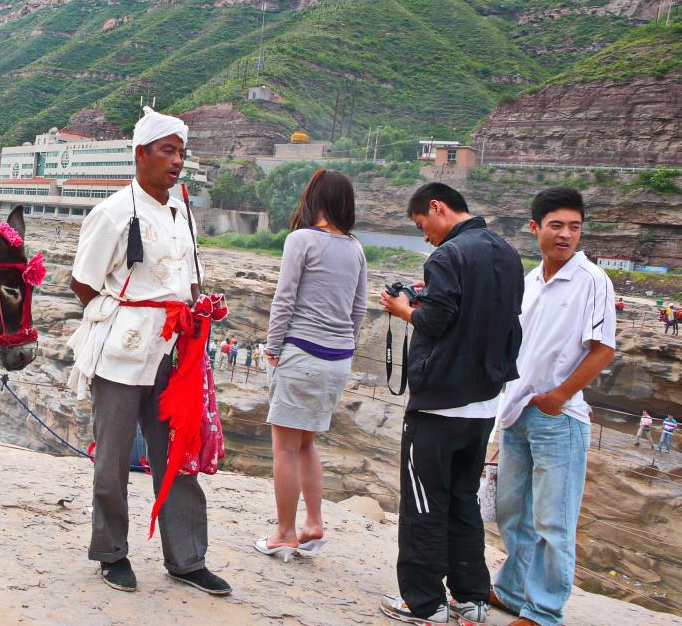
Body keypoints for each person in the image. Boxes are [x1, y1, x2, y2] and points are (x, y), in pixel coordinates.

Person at [67, 107, 230, 596]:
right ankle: (112, 553)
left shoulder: (182, 213)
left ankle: (187, 559)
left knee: (176, 454)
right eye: (167, 150)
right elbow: (83, 283)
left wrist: (194, 313)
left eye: (181, 152)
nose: (176, 161)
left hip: (173, 356)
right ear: (140, 154)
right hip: (121, 352)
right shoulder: (113, 212)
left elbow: (187, 279)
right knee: (113, 457)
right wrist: (128, 317)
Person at [378, 182, 524, 625]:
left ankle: (423, 602)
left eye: (423, 225)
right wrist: (428, 296)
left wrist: (404, 309)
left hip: (439, 405)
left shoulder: (447, 256)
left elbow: (436, 321)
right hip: (483, 404)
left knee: (424, 502)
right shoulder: (506, 252)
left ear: (438, 208)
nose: (425, 236)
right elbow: (476, 312)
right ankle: (471, 597)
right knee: (463, 498)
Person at [492, 187, 616, 626]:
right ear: (535, 228)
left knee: (553, 521)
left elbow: (603, 350)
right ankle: (509, 591)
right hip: (516, 414)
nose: (566, 235)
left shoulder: (592, 281)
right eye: (557, 225)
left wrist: (558, 397)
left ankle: (543, 611)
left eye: (575, 227)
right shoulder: (527, 284)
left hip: (558, 418)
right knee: (512, 512)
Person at [256, 169, 367, 561]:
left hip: (301, 352)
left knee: (284, 448)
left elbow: (283, 300)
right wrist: (344, 346)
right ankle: (313, 523)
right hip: (337, 360)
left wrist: (272, 347)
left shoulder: (301, 240)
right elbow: (358, 309)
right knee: (306, 444)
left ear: (314, 199)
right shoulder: (355, 247)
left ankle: (284, 533)